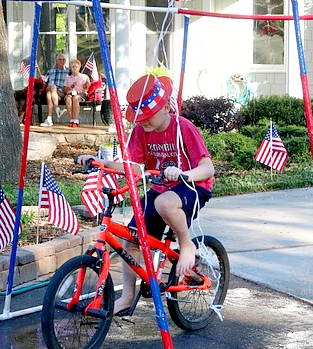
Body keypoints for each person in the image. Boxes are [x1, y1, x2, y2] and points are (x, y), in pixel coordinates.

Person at [78, 74, 214, 315]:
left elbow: (207, 168)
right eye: (139, 118)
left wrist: (183, 174)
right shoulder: (142, 131)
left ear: (164, 107)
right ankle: (128, 296)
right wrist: (101, 162)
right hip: (162, 189)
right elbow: (131, 166)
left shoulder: (183, 127)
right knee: (131, 238)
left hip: (193, 187)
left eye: (147, 116)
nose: (143, 122)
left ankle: (186, 245)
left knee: (164, 203)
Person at [42, 53, 70, 126]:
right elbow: (45, 80)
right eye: (59, 59)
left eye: (63, 59)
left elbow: (75, 78)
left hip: (61, 92)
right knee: (50, 91)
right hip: (51, 91)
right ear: (56, 61)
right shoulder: (50, 71)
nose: (61, 61)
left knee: (51, 90)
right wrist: (42, 78)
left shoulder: (68, 71)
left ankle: (49, 118)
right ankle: (56, 111)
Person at [63, 59, 91, 128]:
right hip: (70, 93)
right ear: (71, 68)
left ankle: (76, 120)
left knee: (75, 98)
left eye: (76, 66)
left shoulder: (83, 76)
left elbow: (87, 87)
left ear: (79, 67)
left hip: (80, 93)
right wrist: (71, 87)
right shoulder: (68, 78)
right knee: (68, 99)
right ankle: (72, 119)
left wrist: (84, 88)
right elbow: (65, 91)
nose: (74, 68)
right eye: (73, 67)